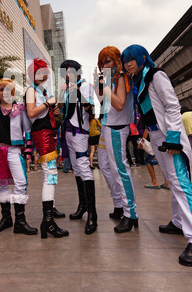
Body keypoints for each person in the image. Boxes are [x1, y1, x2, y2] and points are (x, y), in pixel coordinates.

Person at [121, 44, 192, 266]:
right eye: (125, 60)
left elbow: (172, 106)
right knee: (172, 181)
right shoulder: (139, 80)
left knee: (181, 184)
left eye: (132, 58)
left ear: (142, 58)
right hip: (159, 137)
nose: (128, 63)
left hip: (171, 138)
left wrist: (173, 138)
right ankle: (179, 222)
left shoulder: (156, 75)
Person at [0, 76, 38, 235]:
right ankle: (6, 219)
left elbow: (28, 129)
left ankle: (20, 222)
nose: (5, 92)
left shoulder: (20, 108)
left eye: (8, 89)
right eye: (1, 89)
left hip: (14, 150)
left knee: (21, 182)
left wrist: (29, 150)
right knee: (0, 183)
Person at [94, 46, 137, 232]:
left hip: (117, 128)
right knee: (103, 165)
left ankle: (130, 213)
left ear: (117, 60)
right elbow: (104, 102)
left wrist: (102, 85)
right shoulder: (110, 78)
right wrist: (99, 85)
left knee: (120, 170)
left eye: (108, 61)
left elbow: (119, 104)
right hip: (106, 125)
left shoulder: (121, 77)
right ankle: (119, 204)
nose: (105, 65)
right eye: (102, 62)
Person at [25, 58, 68, 238]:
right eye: (39, 71)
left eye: (44, 71)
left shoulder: (43, 90)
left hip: (49, 132)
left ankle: (48, 219)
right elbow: (31, 113)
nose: (43, 74)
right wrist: (48, 104)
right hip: (41, 133)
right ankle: (48, 222)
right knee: (50, 174)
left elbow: (42, 111)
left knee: (49, 174)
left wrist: (53, 110)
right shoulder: (30, 91)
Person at [59, 59, 97, 235]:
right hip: (67, 132)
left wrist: (78, 93)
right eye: (65, 73)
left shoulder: (85, 86)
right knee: (76, 169)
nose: (67, 75)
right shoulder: (67, 90)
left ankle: (93, 214)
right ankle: (82, 206)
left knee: (84, 168)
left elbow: (90, 109)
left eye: (70, 72)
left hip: (80, 132)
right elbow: (65, 111)